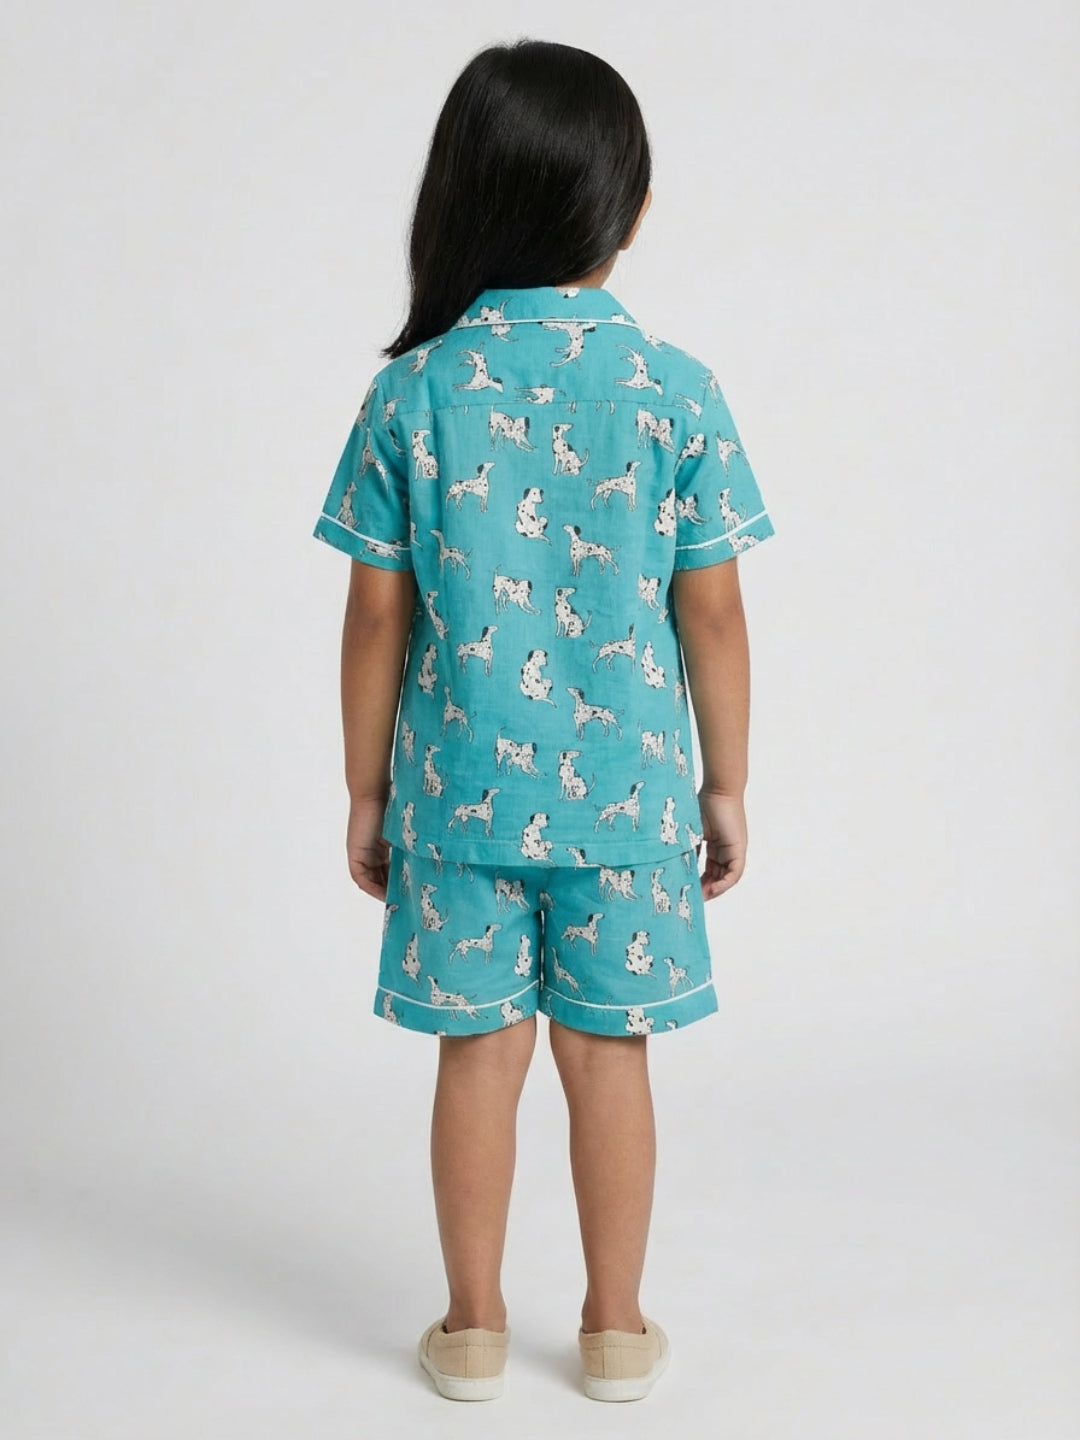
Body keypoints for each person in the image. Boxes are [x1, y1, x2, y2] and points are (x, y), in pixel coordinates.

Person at [311, 37, 776, 1403]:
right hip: (630, 802)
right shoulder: (675, 390)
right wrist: (726, 782)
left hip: (458, 798)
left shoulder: (413, 393)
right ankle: (617, 1330)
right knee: (608, 1053)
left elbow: (376, 618)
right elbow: (715, 615)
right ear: (628, 207)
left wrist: (366, 790)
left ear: (460, 198)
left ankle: (470, 1330)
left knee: (479, 1053)